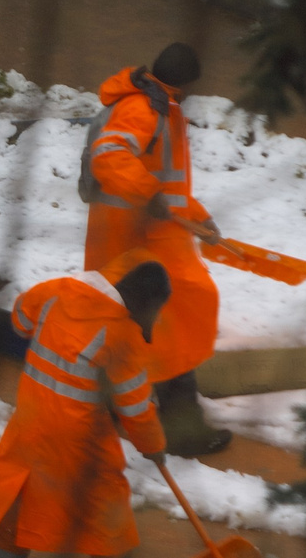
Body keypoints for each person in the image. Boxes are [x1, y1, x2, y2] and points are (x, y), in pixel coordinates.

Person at [0, 259, 171, 558]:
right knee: (106, 500)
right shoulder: (121, 336)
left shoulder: (57, 291)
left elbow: (20, 320)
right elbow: (137, 409)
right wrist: (153, 446)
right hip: (80, 440)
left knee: (21, 491)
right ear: (145, 303)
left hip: (31, 420)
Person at [79, 42, 230, 455]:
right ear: (184, 85)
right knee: (171, 328)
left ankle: (107, 409)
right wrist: (148, 195)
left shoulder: (157, 106)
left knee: (128, 325)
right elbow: (110, 156)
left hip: (133, 237)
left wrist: (199, 217)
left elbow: (168, 184)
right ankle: (183, 431)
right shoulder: (145, 110)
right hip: (135, 239)